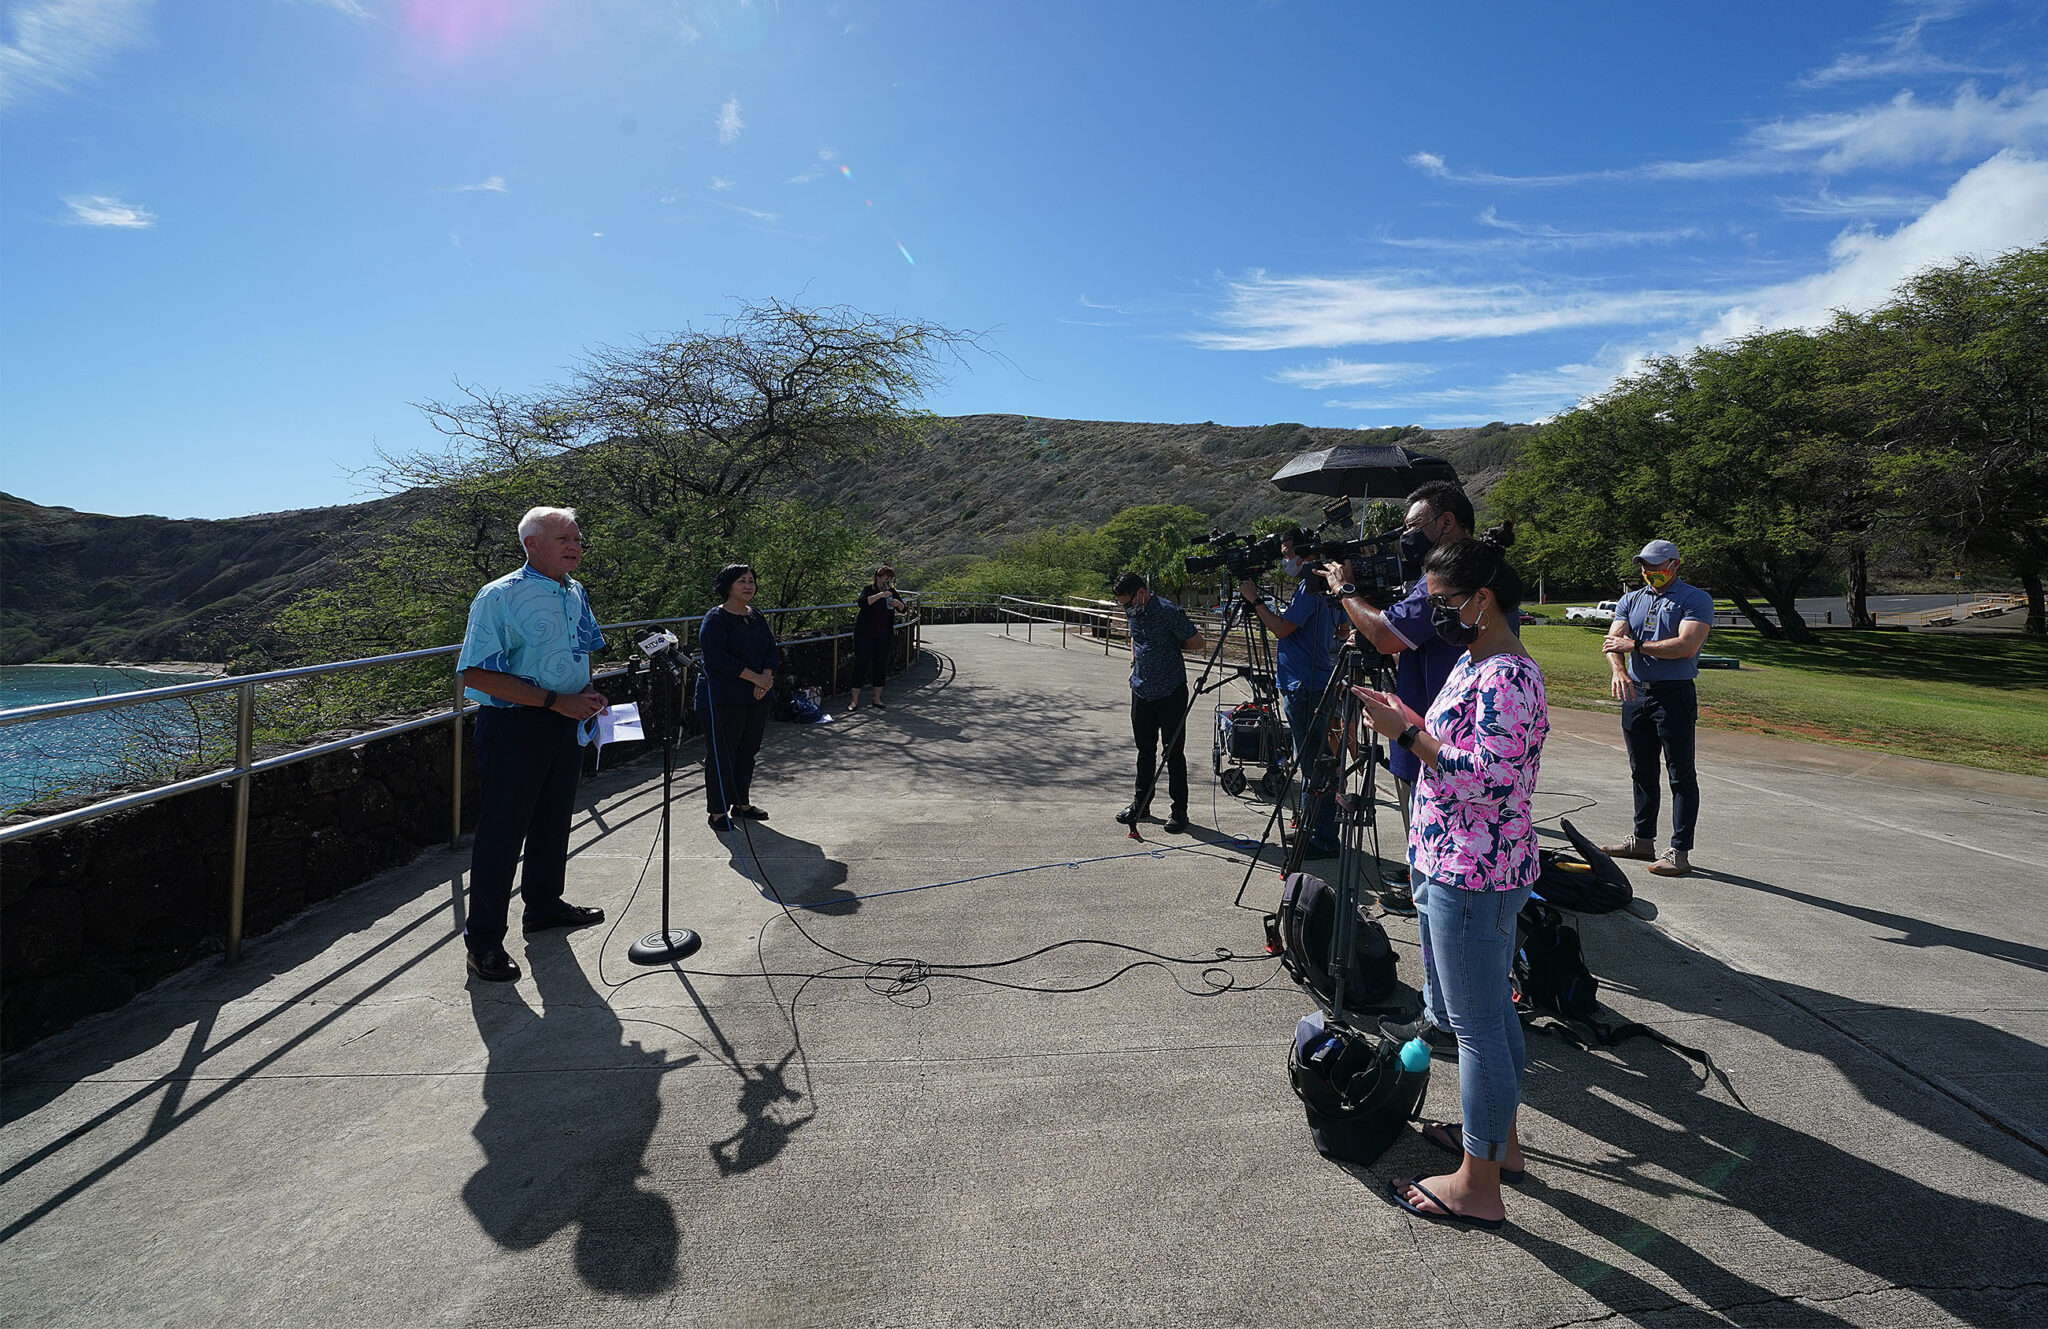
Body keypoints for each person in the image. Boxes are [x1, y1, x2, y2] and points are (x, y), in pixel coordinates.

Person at [1352, 528, 1548, 1230]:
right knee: (1488, 1014)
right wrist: (1408, 718)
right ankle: (1500, 1148)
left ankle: (1479, 1183)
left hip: (1474, 875)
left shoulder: (1507, 676)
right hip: (1456, 864)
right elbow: (1458, 747)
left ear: (1483, 599)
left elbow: (1490, 780)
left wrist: (1405, 737)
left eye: (1443, 601)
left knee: (1476, 1027)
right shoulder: (1474, 661)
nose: (1432, 613)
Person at [455, 506, 611, 984]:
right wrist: (554, 701)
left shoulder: (574, 591)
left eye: (578, 538)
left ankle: (542, 906)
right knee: (502, 835)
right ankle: (483, 942)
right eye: (564, 537)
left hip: (565, 721)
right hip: (515, 726)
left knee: (552, 820)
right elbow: (474, 674)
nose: (576, 545)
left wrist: (586, 692)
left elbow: (578, 652)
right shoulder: (499, 596)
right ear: (531, 544)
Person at [1322, 480, 1476, 914]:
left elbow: (1386, 635)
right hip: (1433, 718)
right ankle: (1422, 878)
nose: (1404, 538)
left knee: (1435, 822)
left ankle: (1430, 894)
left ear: (1446, 524)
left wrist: (1346, 590)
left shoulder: (1449, 580)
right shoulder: (1465, 572)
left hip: (1435, 731)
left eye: (1412, 527)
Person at [1599, 539, 1714, 878]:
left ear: (1675, 565)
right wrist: (1619, 670)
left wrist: (1633, 645)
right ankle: (1642, 840)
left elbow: (1685, 645)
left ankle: (1679, 851)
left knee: (1680, 774)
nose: (1649, 572)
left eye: (1656, 565)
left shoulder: (1695, 599)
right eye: (1645, 566)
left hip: (1673, 695)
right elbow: (1611, 641)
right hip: (1636, 694)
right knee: (1642, 770)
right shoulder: (1631, 599)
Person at [1240, 529, 1342, 854]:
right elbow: (1340, 626)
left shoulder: (1310, 588)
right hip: (1311, 680)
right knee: (1313, 760)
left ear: (1304, 553)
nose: (1285, 559)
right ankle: (1313, 829)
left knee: (1313, 763)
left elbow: (1282, 629)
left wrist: (1255, 600)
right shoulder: (1322, 586)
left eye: (1287, 553)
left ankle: (1322, 838)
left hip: (1304, 684)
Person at [1111, 571, 1205, 835]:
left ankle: (1179, 811)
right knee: (1144, 751)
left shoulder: (1168, 611)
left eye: (1127, 603)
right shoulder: (1134, 612)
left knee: (1173, 753)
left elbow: (1198, 642)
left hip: (1170, 691)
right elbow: (1135, 638)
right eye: (1121, 604)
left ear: (1141, 593)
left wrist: (1168, 647)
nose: (1125, 608)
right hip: (1141, 691)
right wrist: (1134, 664)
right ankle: (1141, 804)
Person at [696, 563, 780, 833]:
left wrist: (765, 678)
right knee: (722, 754)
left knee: (748, 751)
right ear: (728, 586)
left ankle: (741, 804)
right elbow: (717, 658)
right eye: (742, 581)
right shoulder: (716, 618)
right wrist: (755, 678)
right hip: (724, 696)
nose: (748, 586)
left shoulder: (756, 616)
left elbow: (770, 649)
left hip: (757, 694)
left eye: (751, 581)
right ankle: (718, 811)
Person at [848, 565, 906, 712]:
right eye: (884, 576)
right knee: (861, 665)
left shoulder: (892, 591)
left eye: (889, 576)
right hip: (864, 634)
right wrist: (880, 595)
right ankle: (854, 701)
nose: (887, 579)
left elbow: (903, 609)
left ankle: (877, 699)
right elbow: (861, 602)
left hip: (883, 635)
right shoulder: (869, 589)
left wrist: (898, 603)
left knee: (881, 666)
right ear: (877, 577)